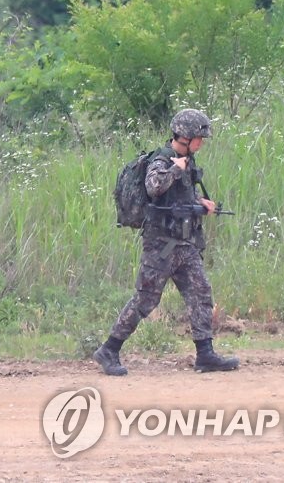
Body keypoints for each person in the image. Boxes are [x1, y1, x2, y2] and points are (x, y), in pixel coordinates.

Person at [93, 108, 240, 376]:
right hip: (161, 245)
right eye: (199, 137)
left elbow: (180, 197)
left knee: (201, 293)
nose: (202, 143)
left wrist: (200, 203)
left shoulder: (187, 160)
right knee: (146, 299)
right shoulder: (163, 160)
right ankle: (109, 349)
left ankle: (205, 354)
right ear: (185, 136)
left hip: (184, 243)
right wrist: (175, 168)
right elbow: (154, 187)